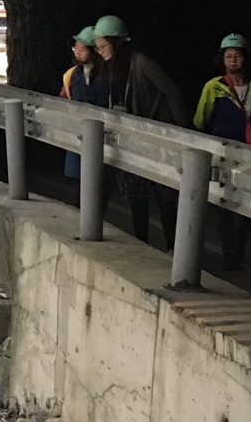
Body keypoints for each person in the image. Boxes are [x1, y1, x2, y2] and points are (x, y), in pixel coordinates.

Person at [93, 14, 186, 248]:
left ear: (116, 42)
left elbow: (172, 92)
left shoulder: (142, 63)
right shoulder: (112, 68)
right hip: (132, 139)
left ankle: (174, 249)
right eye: (98, 47)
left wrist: (183, 132)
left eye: (103, 46)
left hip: (156, 139)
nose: (100, 51)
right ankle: (142, 244)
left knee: (165, 196)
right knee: (136, 196)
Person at [194, 33, 251, 271]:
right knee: (225, 204)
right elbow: (200, 120)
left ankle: (238, 245)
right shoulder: (214, 87)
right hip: (224, 152)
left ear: (245, 58)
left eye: (237, 55)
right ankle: (230, 251)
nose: (232, 60)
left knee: (250, 208)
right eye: (228, 56)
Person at [59, 27, 103, 177]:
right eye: (75, 48)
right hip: (77, 129)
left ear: (95, 51)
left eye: (82, 49)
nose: (77, 52)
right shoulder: (71, 75)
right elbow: (64, 98)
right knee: (77, 174)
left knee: (98, 175)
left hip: (102, 131)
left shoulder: (107, 75)